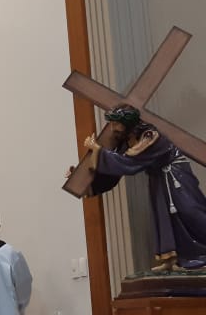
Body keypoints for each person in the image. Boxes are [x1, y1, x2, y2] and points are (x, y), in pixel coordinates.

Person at [80, 104, 206, 272]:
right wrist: (82, 179)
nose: (112, 128)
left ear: (127, 123)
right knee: (164, 217)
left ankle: (200, 254)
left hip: (176, 174)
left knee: (189, 210)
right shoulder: (127, 139)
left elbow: (129, 162)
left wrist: (98, 150)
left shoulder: (150, 135)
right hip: (158, 178)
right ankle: (173, 259)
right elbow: (115, 170)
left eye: (116, 123)